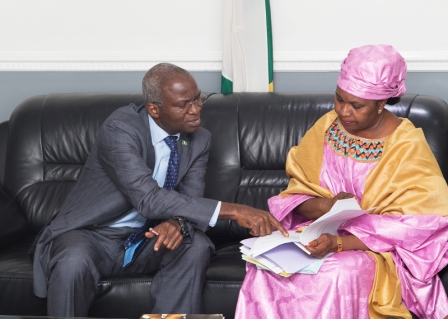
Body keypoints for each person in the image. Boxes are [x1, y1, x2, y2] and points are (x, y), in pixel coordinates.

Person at [30, 62, 288, 317]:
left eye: (198, 100)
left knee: (194, 246)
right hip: (93, 234)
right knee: (72, 262)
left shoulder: (199, 139)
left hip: (147, 237)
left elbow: (190, 199)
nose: (195, 110)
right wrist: (235, 211)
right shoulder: (120, 129)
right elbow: (148, 199)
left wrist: (177, 222)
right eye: (183, 105)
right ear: (154, 109)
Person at [234, 44, 448, 319]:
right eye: (339, 99)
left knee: (333, 274)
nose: (344, 112)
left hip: (374, 250)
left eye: (356, 106)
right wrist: (327, 207)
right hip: (313, 237)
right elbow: (295, 198)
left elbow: (420, 226)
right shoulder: (327, 126)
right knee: (264, 269)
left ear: (381, 103)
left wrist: (339, 244)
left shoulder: (405, 144)